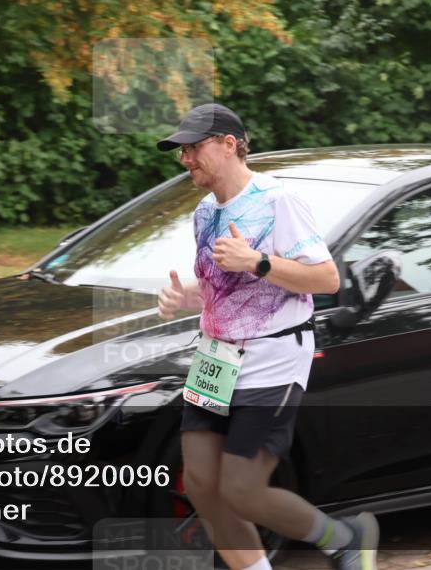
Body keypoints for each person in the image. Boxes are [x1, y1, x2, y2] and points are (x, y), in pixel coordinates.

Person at [155, 103, 379, 570]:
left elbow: (326, 279)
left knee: (242, 489)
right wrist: (185, 296)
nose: (185, 159)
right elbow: (226, 287)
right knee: (200, 483)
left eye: (193, 148)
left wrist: (258, 261)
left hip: (272, 357)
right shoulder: (205, 212)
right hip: (214, 360)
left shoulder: (278, 201)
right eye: (182, 151)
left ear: (229, 144)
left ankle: (344, 538)